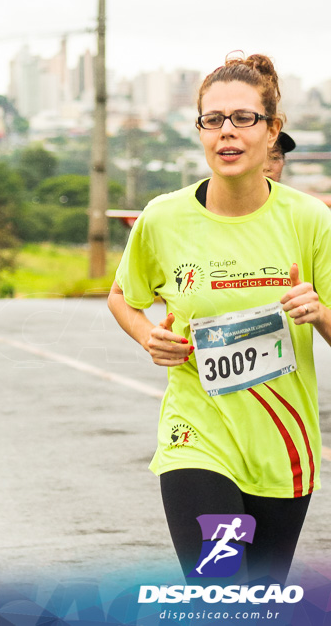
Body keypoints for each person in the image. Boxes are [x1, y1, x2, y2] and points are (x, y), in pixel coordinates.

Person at [108, 53, 331, 586]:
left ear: (273, 129)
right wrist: (148, 337)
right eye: (213, 120)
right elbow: (122, 295)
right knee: (219, 589)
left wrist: (319, 312)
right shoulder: (163, 217)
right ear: (200, 131)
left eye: (244, 119)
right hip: (197, 435)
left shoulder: (309, 219)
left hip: (283, 442)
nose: (227, 133)